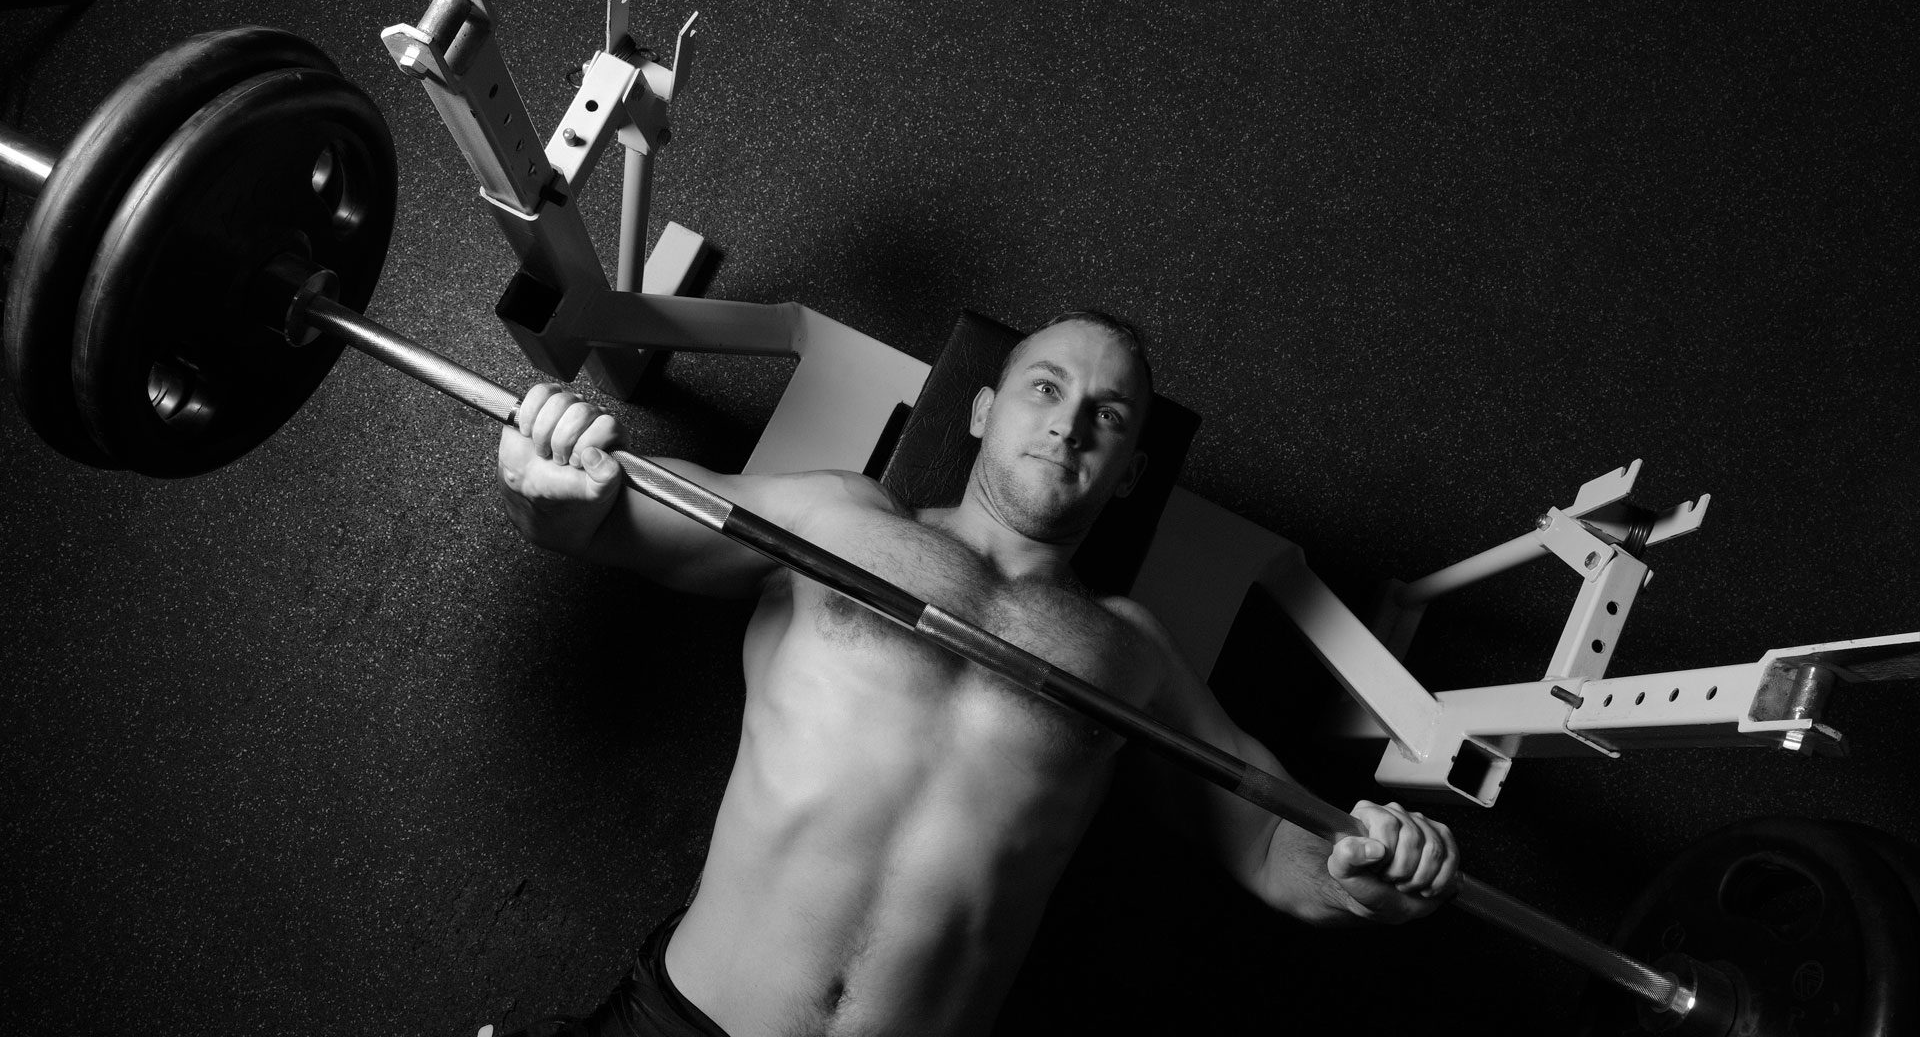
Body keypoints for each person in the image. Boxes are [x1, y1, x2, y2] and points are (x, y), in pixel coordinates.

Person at [492, 312, 1460, 1037]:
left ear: (1129, 471)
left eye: (1108, 414)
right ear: (985, 410)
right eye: (1045, 388)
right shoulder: (838, 521)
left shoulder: (1131, 651)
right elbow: (608, 516)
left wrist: (1363, 877)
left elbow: (1270, 847)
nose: (1070, 424)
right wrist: (553, 487)